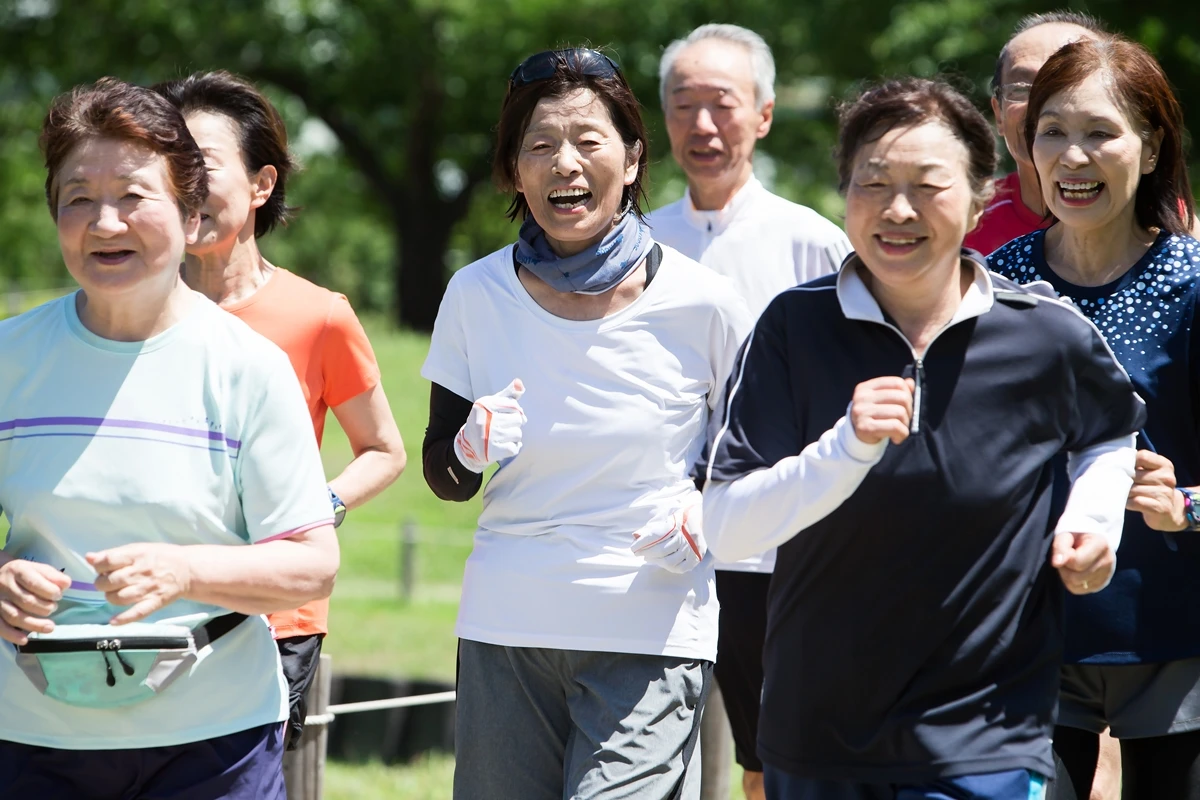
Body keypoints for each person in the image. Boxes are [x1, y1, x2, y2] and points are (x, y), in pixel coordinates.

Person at [698, 77, 1147, 800]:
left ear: (980, 199)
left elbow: (1108, 436)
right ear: (844, 193)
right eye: (873, 184)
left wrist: (1093, 524)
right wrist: (844, 449)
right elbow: (727, 526)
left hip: (987, 737)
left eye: (928, 186)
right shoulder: (793, 327)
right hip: (817, 737)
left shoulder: (1046, 334)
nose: (898, 210)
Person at [420, 48, 752, 799]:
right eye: (539, 145)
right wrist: (467, 448)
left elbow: (754, 452)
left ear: (632, 159)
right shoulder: (474, 294)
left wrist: (706, 509)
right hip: (508, 624)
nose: (564, 163)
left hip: (651, 623)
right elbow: (444, 475)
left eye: (588, 141)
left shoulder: (705, 303)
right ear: (514, 172)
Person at [0, 78, 339, 798]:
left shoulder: (250, 368)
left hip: (216, 743)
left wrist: (185, 572)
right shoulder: (10, 359)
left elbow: (312, 566)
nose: (105, 222)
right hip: (32, 740)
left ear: (190, 214)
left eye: (132, 195)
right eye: (77, 198)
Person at [153, 70, 406, 750]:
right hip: (150, 605)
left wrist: (315, 508)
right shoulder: (125, 314)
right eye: (170, 164)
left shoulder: (318, 316)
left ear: (261, 184)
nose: (185, 183)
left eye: (203, 164)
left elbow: (384, 450)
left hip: (276, 614)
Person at [988, 36, 1200, 800]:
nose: (1073, 157)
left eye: (1100, 133)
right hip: (1025, 637)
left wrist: (1187, 506)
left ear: (1152, 149)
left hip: (1179, 641)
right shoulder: (994, 284)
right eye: (1052, 131)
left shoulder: (1193, 282)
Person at [651, 23, 850, 800]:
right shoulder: (637, 245)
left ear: (763, 115)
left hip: (779, 550)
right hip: (661, 543)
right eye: (683, 104)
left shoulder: (814, 245)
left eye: (723, 104)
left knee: (775, 763)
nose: (703, 125)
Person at [966, 11, 1106, 255]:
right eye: (1022, 89)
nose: (1042, 105)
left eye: (1067, 86)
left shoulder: (1161, 224)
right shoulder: (963, 224)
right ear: (999, 114)